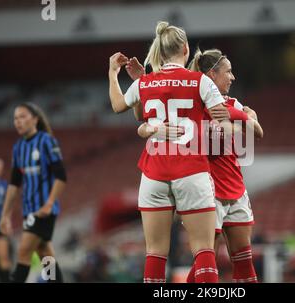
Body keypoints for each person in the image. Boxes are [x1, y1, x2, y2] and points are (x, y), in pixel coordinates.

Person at [108, 21, 230, 283]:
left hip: (153, 173)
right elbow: (223, 116)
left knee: (155, 253)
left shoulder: (145, 83)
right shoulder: (200, 81)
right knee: (204, 250)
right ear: (185, 49)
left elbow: (118, 105)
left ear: (159, 52)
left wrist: (112, 72)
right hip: (191, 170)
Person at [135, 48, 263, 282]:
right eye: (229, 72)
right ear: (211, 75)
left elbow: (258, 132)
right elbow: (145, 124)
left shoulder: (232, 103)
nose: (233, 77)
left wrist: (247, 120)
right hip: (208, 190)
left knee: (243, 259)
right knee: (206, 257)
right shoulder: (195, 104)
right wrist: (244, 121)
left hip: (235, 189)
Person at [0, 102, 66, 283]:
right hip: (28, 210)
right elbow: (14, 184)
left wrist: (49, 203)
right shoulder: (18, 147)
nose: (18, 121)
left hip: (43, 210)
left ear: (35, 119)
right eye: (15, 118)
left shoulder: (46, 141)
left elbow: (61, 177)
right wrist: (5, 215)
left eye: (22, 117)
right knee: (45, 254)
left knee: (23, 252)